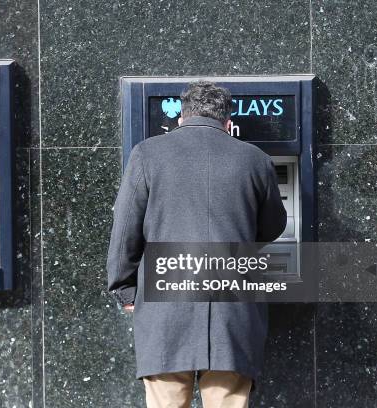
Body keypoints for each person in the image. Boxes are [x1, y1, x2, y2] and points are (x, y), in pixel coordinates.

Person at [106, 81, 287, 408]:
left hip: (165, 312)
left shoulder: (147, 154)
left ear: (181, 118)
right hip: (233, 313)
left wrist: (125, 288)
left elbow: (125, 230)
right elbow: (273, 227)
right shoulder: (256, 160)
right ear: (228, 122)